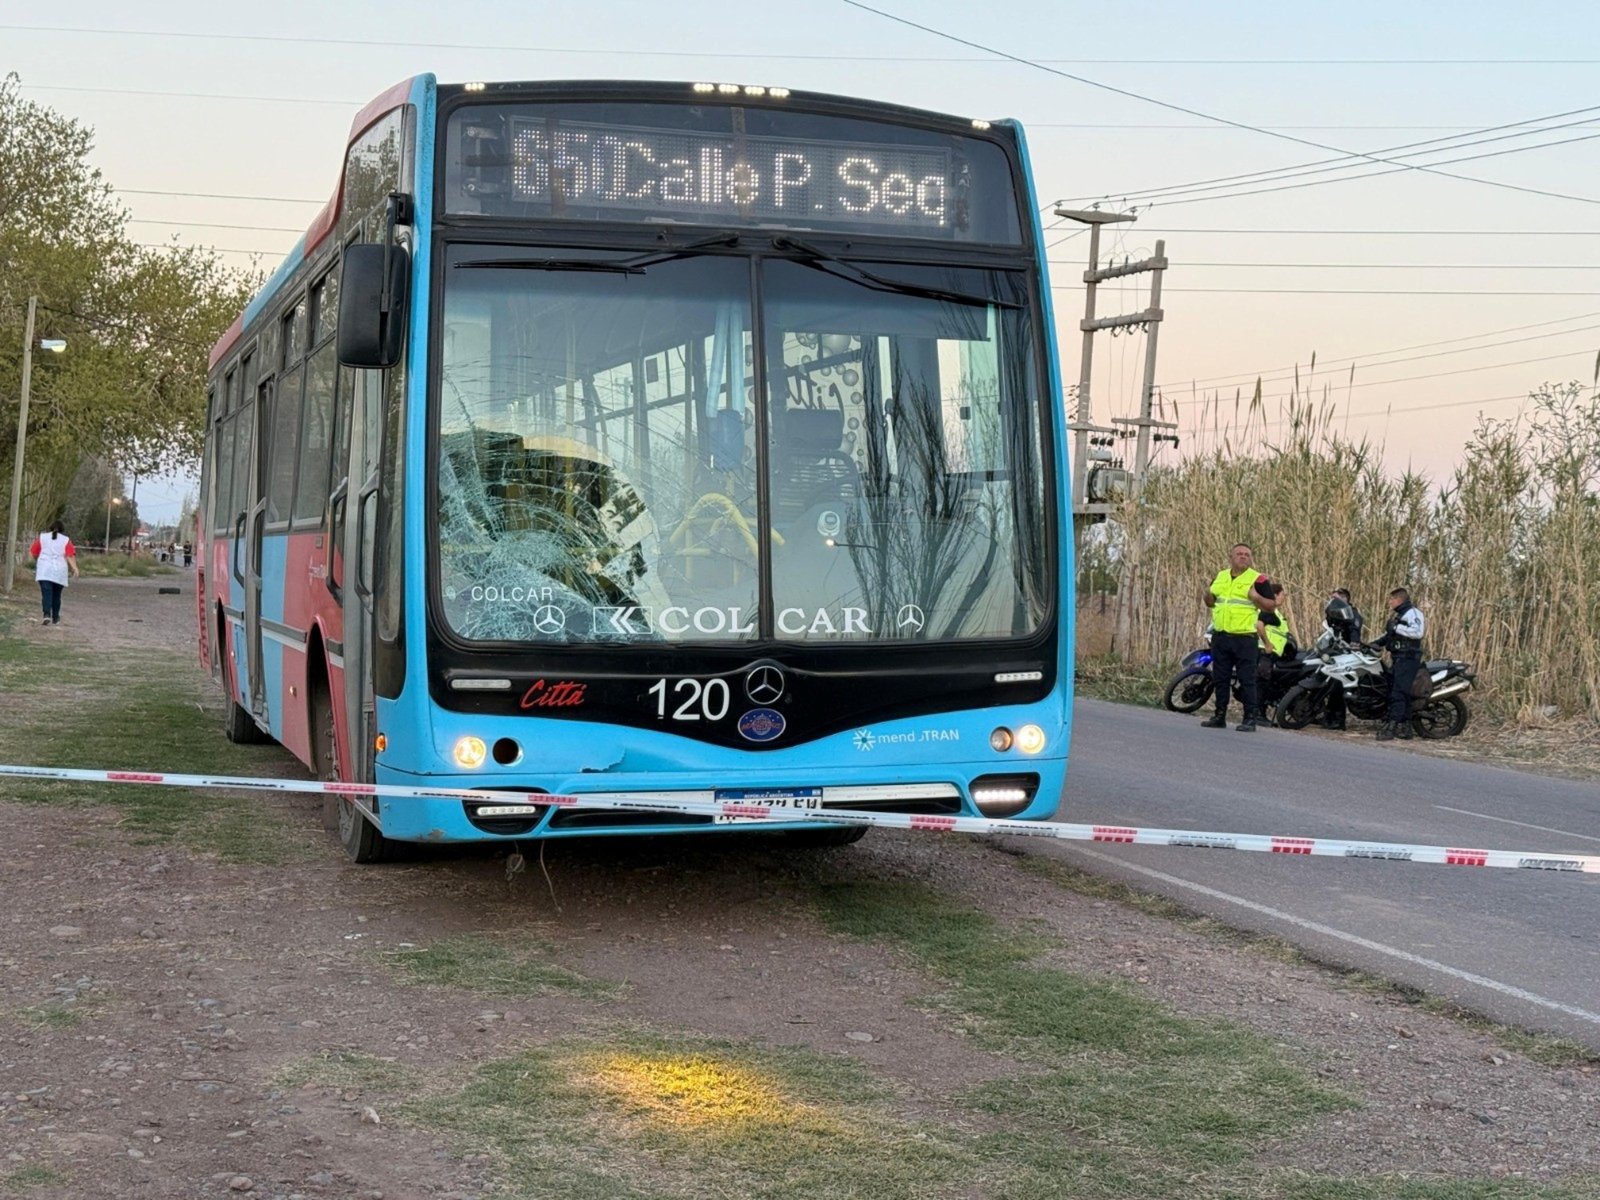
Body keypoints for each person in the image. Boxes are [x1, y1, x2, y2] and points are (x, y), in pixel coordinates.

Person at [1197, 542, 1276, 732]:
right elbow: (1210, 602)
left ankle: (1250, 719)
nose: (1243, 557)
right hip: (1221, 636)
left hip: (1245, 638)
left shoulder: (1258, 579)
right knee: (1220, 679)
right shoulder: (1221, 576)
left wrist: (1255, 597)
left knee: (1247, 680)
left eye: (1247, 554)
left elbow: (1271, 606)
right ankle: (1219, 716)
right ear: (1231, 557)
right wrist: (1207, 595)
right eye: (1239, 553)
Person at [1376, 586, 1425, 741]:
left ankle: (1392, 727)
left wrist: (1397, 628)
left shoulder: (1413, 613)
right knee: (1401, 692)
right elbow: (1389, 636)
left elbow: (1418, 633)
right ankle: (1406, 727)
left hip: (1408, 659)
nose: (1390, 602)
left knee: (1398, 693)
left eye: (1392, 599)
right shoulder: (1400, 615)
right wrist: (1373, 644)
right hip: (1398, 659)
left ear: (1399, 599)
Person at [28, 522, 80, 626]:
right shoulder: (66, 540)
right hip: (59, 571)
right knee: (56, 595)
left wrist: (39, 560)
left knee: (46, 593)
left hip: (44, 570)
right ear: (62, 529)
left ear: (50, 528)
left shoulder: (42, 538)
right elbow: (70, 555)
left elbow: (34, 552)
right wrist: (75, 568)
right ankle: (56, 617)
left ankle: (46, 614)